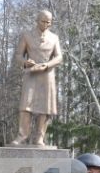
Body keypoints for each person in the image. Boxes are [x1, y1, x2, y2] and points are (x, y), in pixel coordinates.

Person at [9, 10, 62, 147]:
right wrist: (26, 62)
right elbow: (18, 55)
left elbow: (59, 57)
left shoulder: (54, 38)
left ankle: (40, 137)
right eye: (43, 21)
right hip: (31, 74)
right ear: (37, 20)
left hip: (47, 75)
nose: (45, 24)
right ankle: (22, 136)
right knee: (25, 106)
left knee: (45, 108)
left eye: (48, 22)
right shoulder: (27, 36)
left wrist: (48, 64)